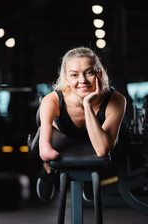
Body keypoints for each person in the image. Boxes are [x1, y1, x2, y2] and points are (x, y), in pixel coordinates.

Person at [36, 47, 126, 201]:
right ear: (66, 79)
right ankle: (47, 172)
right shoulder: (51, 100)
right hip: (61, 129)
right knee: (47, 155)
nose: (82, 80)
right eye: (74, 75)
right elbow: (45, 151)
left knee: (103, 144)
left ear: (99, 73)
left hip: (93, 134)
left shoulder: (116, 100)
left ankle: (90, 175)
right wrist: (49, 158)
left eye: (89, 72)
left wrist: (87, 105)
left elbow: (103, 149)